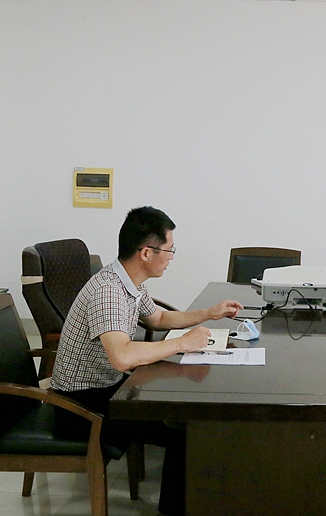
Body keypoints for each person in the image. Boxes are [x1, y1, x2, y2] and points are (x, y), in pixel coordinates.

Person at [50, 206, 244, 516]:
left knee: (182, 415)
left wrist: (210, 313)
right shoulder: (109, 292)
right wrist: (182, 343)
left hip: (106, 389)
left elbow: (159, 319)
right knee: (185, 430)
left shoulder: (128, 281)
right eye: (169, 250)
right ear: (145, 253)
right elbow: (122, 357)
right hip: (80, 406)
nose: (171, 257)